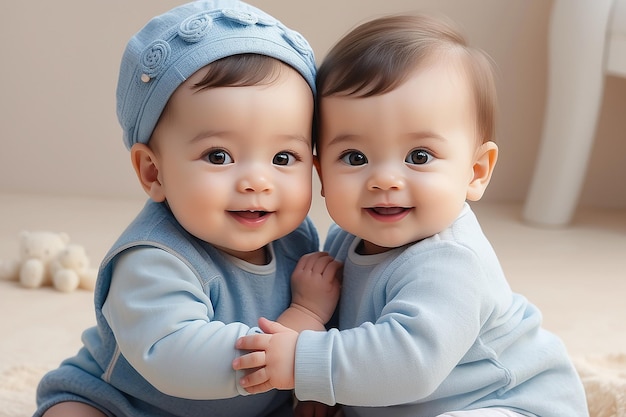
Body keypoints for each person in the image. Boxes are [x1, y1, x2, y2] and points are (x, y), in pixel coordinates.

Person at [233, 13, 590, 417]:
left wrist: (304, 362)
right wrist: (320, 390)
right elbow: (349, 333)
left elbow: (409, 362)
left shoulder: (453, 262)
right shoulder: (343, 242)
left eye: (418, 156)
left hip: (509, 402)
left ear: (476, 172)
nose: (384, 179)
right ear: (321, 174)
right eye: (355, 157)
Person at [34, 1, 342, 416]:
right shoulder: (153, 260)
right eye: (218, 156)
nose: (257, 181)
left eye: (284, 157)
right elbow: (176, 357)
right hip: (125, 404)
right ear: (153, 171)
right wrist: (301, 322)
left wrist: (308, 387)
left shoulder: (296, 237)